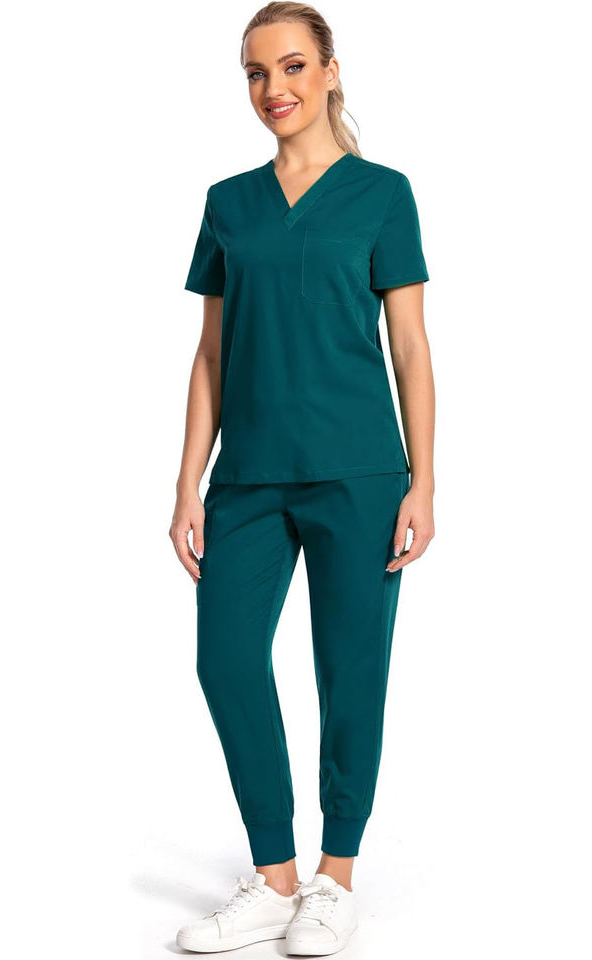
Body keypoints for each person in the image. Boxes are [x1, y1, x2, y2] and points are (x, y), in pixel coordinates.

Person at [169, 3, 436, 954]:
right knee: (226, 658)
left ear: (329, 71)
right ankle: (275, 877)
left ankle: (336, 878)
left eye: (290, 66)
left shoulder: (383, 194)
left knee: (350, 670)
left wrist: (424, 482)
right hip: (249, 478)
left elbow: (410, 347)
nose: (273, 88)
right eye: (255, 72)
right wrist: (188, 483)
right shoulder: (228, 202)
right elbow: (211, 354)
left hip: (360, 473)